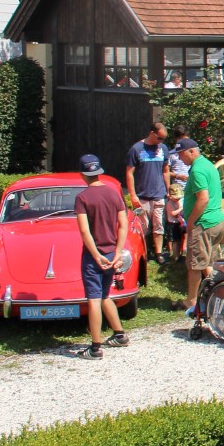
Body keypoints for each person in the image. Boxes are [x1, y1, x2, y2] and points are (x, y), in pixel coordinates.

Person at [73, 154, 130, 359]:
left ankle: (95, 347)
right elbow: (123, 225)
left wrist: (95, 255)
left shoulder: (82, 198)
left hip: (94, 255)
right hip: (111, 253)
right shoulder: (114, 193)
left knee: (94, 299)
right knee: (106, 295)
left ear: (83, 174)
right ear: (100, 171)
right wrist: (117, 252)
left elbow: (84, 231)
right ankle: (119, 334)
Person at [175, 136, 224, 337]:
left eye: (181, 154)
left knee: (194, 264)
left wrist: (192, 222)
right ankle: (217, 293)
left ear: (191, 152)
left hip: (204, 223)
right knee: (208, 262)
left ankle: (192, 301)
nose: (180, 158)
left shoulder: (197, 169)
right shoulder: (208, 165)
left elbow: (203, 198)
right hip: (217, 221)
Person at [124, 123, 171, 265]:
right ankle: (142, 252)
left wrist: (168, 190)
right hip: (142, 195)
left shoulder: (163, 149)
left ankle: (158, 253)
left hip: (159, 194)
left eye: (163, 139)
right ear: (152, 133)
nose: (161, 141)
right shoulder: (136, 149)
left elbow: (165, 170)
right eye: (159, 138)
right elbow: (129, 173)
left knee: (159, 224)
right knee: (143, 226)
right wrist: (132, 195)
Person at [164, 126, 191, 259]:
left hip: (188, 191)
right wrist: (178, 176)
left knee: (185, 221)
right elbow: (166, 172)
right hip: (176, 192)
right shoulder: (172, 154)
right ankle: (172, 252)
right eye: (182, 139)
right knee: (174, 222)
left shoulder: (192, 152)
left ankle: (184, 248)